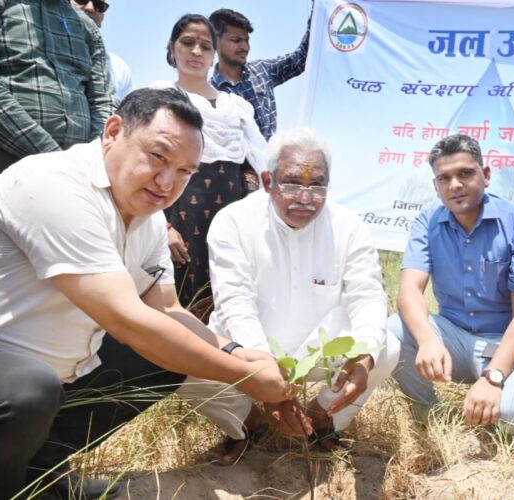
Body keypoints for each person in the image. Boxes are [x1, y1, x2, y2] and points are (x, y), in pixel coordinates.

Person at [0, 88, 291, 500]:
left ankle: (40, 471)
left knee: (166, 358)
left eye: (185, 171)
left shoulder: (148, 219)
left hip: (49, 374)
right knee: (29, 389)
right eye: (158, 156)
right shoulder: (52, 184)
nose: (168, 182)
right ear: (114, 131)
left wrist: (241, 355)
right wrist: (245, 377)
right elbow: (126, 319)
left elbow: (168, 310)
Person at [177, 127, 400, 464]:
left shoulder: (348, 226)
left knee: (386, 347)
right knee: (178, 354)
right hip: (248, 354)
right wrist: (267, 385)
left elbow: (367, 296)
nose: (305, 198)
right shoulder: (234, 222)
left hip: (318, 351)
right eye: (292, 183)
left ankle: (324, 418)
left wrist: (364, 360)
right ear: (267, 181)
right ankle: (249, 425)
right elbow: (236, 306)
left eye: (317, 185)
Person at [389, 135, 514, 431]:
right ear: (436, 186)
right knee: (393, 331)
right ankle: (428, 416)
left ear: (485, 176)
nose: (455, 185)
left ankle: (495, 396)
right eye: (444, 178)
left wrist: (494, 376)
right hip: (454, 339)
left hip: (505, 345)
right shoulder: (427, 220)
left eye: (465, 173)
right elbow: (409, 291)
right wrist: (428, 341)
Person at [0, 0, 117, 210]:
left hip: (79, 175)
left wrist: (90, 160)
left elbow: (104, 99)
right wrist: (54, 158)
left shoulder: (87, 26)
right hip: (2, 161)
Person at [161, 14, 267, 310]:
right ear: (172, 49)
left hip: (232, 220)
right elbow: (150, 169)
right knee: (179, 300)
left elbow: (252, 167)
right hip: (181, 219)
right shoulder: (161, 98)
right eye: (187, 43)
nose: (196, 51)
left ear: (214, 53)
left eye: (205, 46)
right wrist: (162, 227)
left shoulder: (237, 107)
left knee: (230, 298)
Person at [208, 6, 312, 140]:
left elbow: (300, 60)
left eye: (246, 40)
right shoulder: (210, 94)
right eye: (236, 40)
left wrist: (317, 10)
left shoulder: (262, 70)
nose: (245, 47)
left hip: (270, 159)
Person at [72, 0, 134, 100]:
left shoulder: (119, 68)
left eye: (99, 6)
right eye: (82, 0)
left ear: (102, 20)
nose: (90, 8)